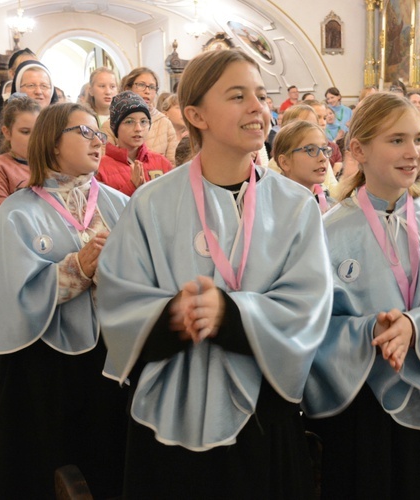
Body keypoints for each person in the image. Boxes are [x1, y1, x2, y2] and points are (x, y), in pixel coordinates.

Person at [96, 48, 332, 498]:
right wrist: (171, 314)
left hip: (263, 416)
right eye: (237, 96)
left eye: (262, 96)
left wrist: (232, 314)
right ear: (195, 115)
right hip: (171, 412)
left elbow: (311, 305)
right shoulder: (152, 202)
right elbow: (119, 298)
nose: (257, 108)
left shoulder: (296, 205)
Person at [302, 92, 420, 499]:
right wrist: (372, 330)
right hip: (361, 398)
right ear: (358, 149)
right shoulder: (327, 231)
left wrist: (415, 325)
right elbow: (313, 321)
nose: (413, 153)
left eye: (418, 139)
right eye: (396, 140)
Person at [0, 103, 129, 499]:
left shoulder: (118, 203)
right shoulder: (17, 213)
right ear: (52, 143)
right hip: (44, 371)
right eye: (84, 132)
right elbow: (11, 296)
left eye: (100, 134)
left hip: (109, 362)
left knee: (110, 464)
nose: (98, 141)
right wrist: (80, 267)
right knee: (45, 469)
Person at [97, 91, 172, 196]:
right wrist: (132, 186)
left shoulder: (162, 163)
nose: (138, 129)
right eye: (129, 122)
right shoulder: (100, 168)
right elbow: (105, 209)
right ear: (116, 127)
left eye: (143, 122)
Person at [0, 95, 40, 219]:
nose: (34, 138)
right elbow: (0, 218)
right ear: (7, 132)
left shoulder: (51, 164)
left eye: (39, 131)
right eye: (25, 132)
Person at [101, 67, 177, 164]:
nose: (147, 91)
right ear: (127, 88)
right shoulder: (109, 126)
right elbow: (105, 163)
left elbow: (172, 164)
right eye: (141, 85)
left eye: (152, 87)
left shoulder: (165, 123)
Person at [0, 48, 39, 166]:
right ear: (12, 73)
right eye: (24, 67)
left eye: (35, 67)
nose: (31, 72)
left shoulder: (46, 102)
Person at [273, 120, 334, 213]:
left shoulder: (331, 206)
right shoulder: (273, 209)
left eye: (324, 149)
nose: (323, 157)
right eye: (310, 150)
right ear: (285, 162)